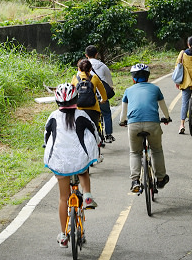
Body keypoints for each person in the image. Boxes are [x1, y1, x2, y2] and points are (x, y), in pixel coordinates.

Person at [43, 83, 99, 248]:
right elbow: (94, 132)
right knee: (83, 170)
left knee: (63, 198)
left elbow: (46, 138)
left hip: (60, 163)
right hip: (78, 160)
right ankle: (87, 196)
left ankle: (62, 234)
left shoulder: (53, 116)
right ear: (76, 98)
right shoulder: (81, 115)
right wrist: (98, 145)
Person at [118, 63, 173, 192]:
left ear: (133, 78)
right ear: (148, 77)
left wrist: (122, 122)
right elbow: (163, 107)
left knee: (135, 152)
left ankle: (135, 181)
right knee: (156, 150)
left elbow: (123, 112)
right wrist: (167, 117)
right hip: (152, 124)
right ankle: (160, 179)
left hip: (134, 125)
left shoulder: (128, 91)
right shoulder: (155, 89)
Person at [71, 58, 109, 146]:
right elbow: (103, 92)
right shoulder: (94, 78)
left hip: (79, 109)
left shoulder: (75, 79)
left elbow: (72, 94)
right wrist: (103, 100)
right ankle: (98, 143)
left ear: (79, 69)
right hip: (93, 109)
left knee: (78, 130)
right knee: (95, 127)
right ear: (90, 69)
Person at [84, 45, 116, 143]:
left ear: (86, 55)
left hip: (89, 98)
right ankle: (109, 134)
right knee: (106, 113)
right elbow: (109, 81)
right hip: (102, 96)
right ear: (97, 54)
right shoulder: (103, 66)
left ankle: (92, 136)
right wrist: (110, 87)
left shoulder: (83, 66)